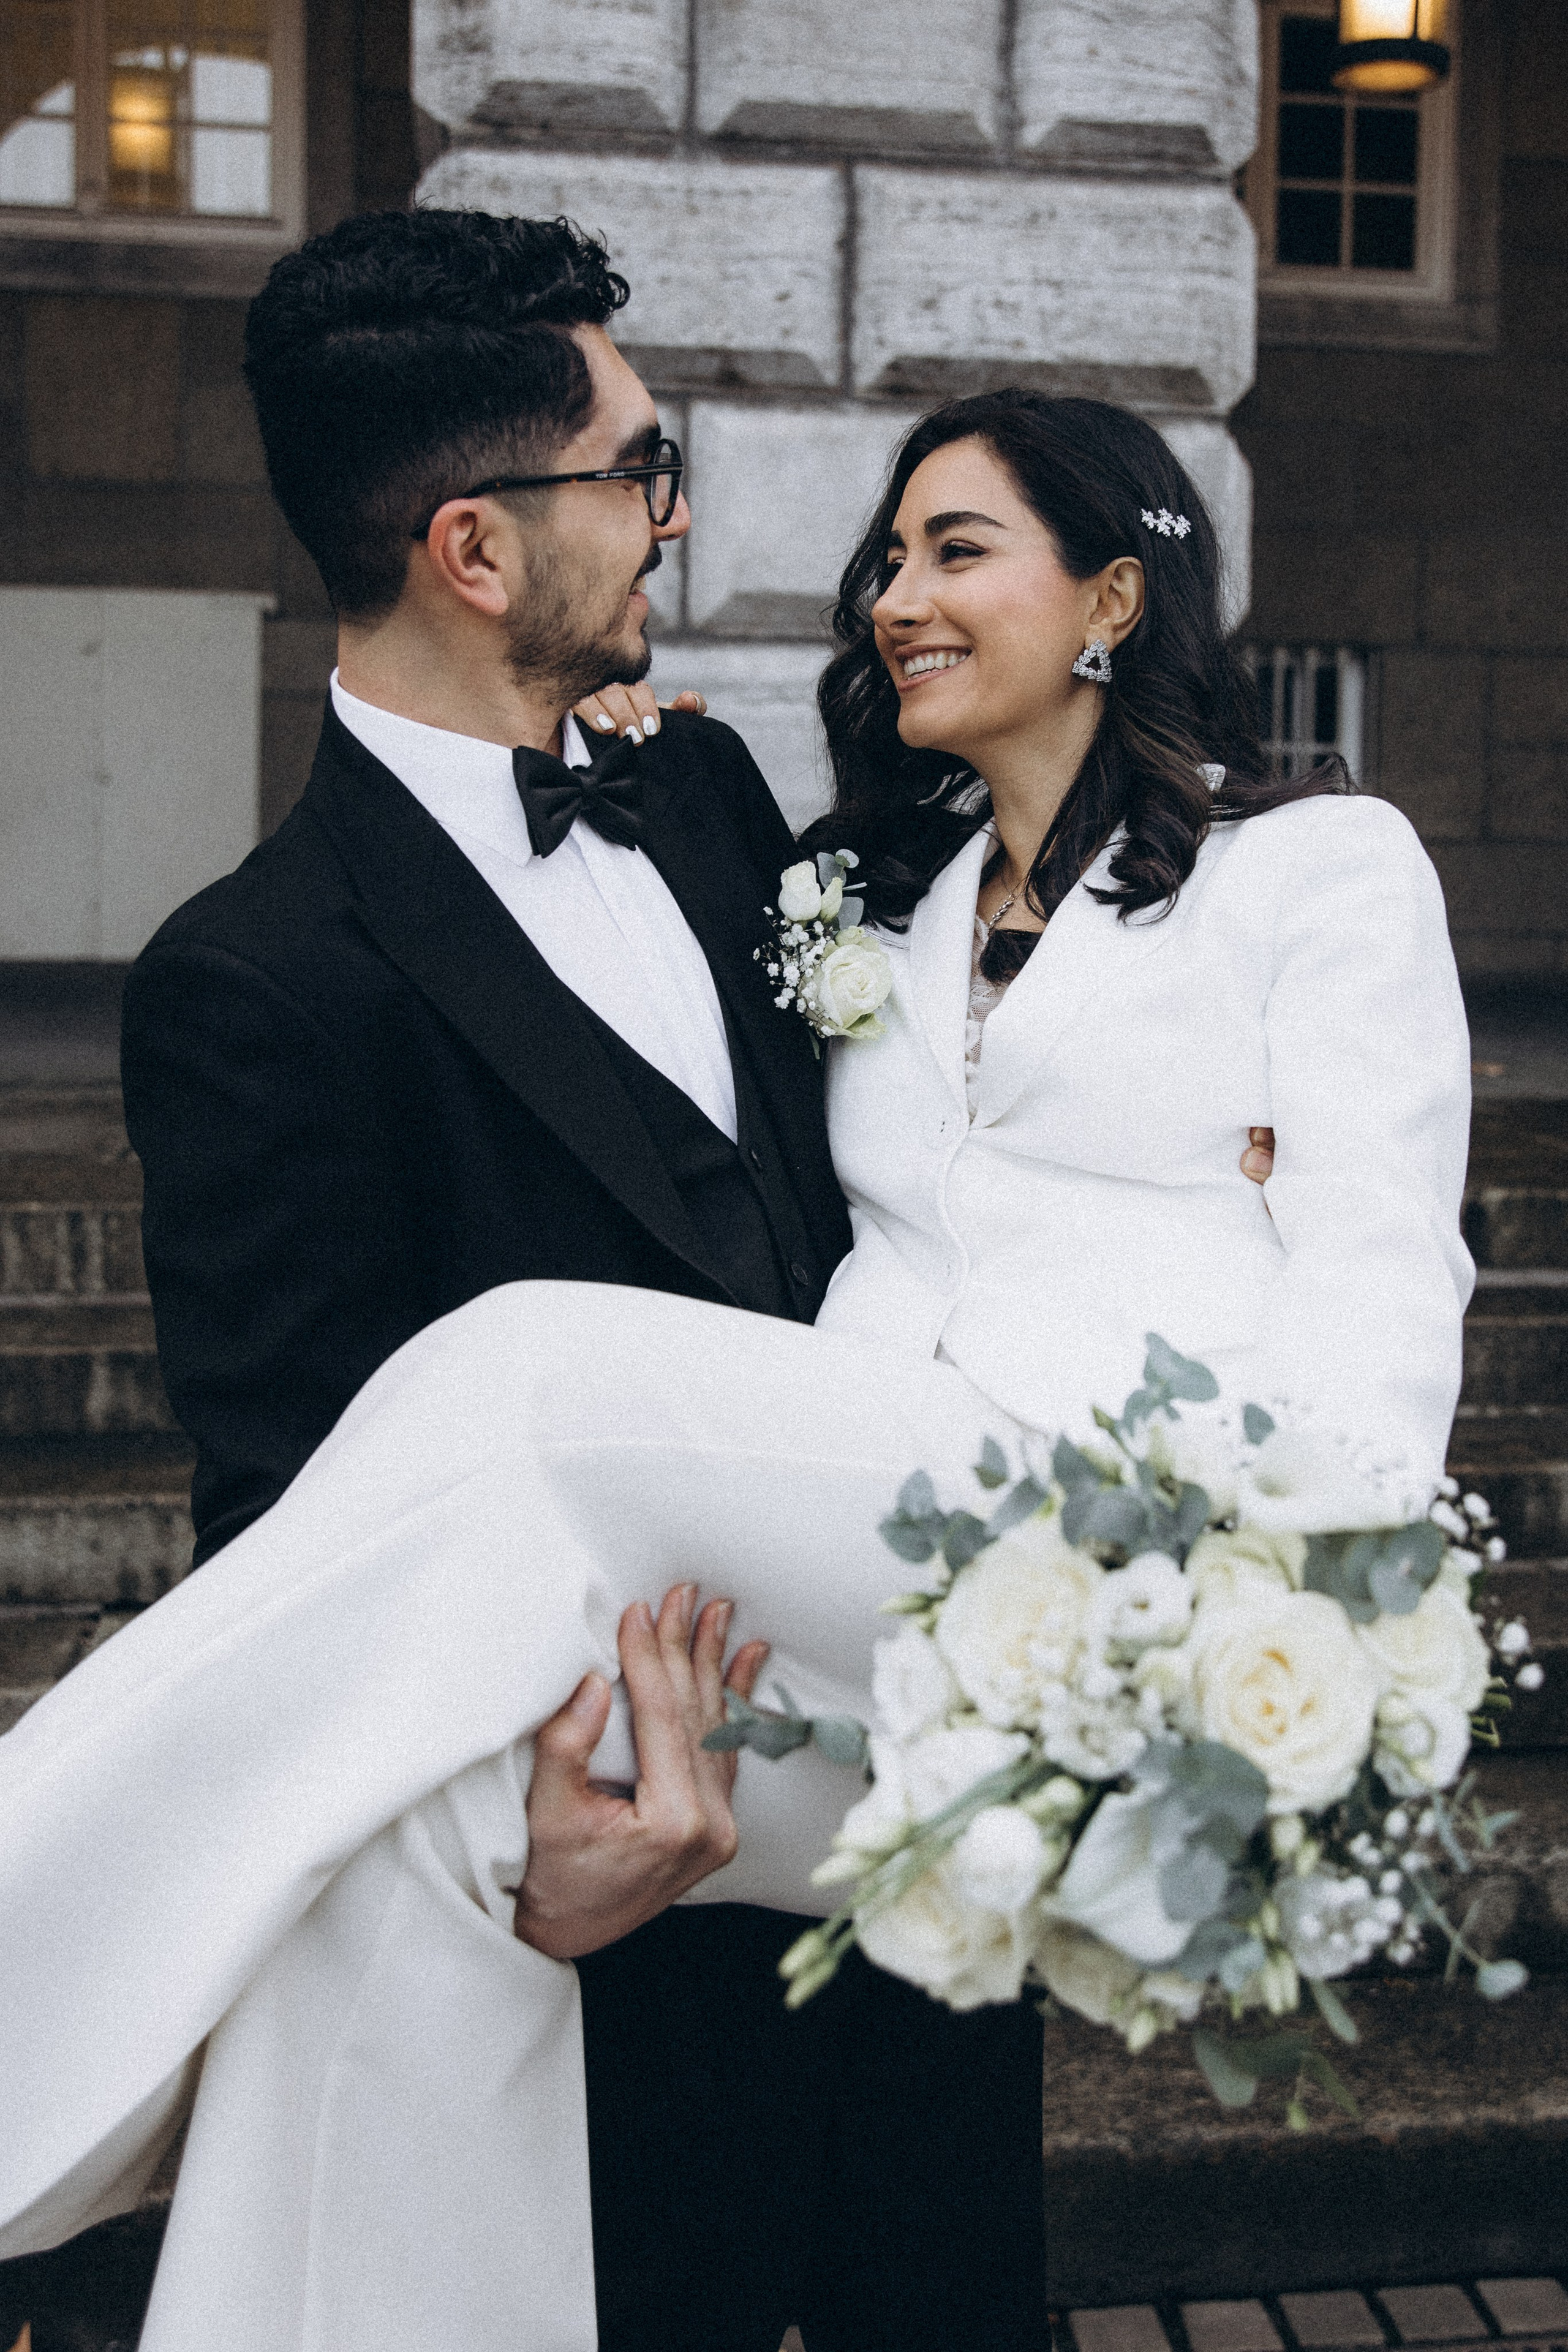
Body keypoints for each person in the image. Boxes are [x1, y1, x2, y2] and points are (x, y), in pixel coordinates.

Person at [0, 240, 1471, 2351]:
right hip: (636, 1913)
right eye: (642, 466)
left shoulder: (702, 797)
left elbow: (1003, 1142)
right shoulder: (256, 982)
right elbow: (295, 1533)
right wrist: (534, 1858)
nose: (681, 511)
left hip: (925, 1786)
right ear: (480, 547)